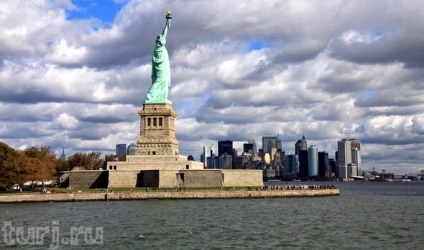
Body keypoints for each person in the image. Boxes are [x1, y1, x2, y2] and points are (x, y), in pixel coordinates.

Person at [146, 11, 173, 104]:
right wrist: (168, 21)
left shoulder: (157, 48)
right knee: (160, 81)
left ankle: (161, 96)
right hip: (162, 69)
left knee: (162, 81)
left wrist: (168, 20)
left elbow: (163, 34)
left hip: (163, 68)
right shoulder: (159, 47)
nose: (163, 38)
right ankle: (150, 95)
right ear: (159, 40)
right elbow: (165, 32)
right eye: (161, 38)